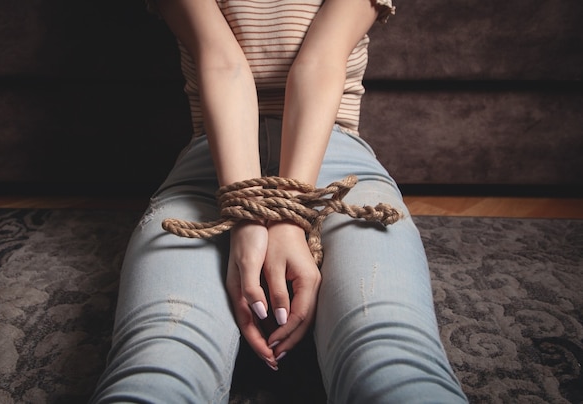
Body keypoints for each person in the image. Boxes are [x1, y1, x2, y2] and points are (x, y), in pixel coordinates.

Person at [91, 0, 468, 402]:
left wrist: (290, 216)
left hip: (337, 168)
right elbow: (222, 62)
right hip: (213, 168)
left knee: (394, 355)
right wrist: (249, 213)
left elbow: (320, 61)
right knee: (158, 358)